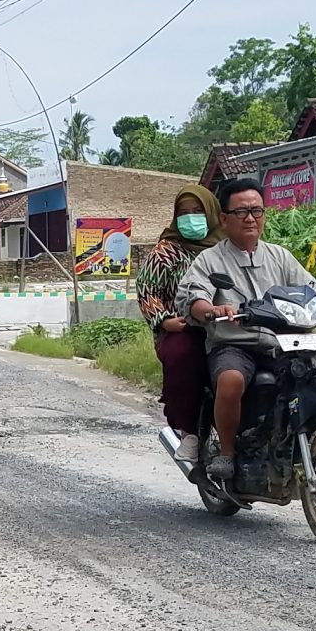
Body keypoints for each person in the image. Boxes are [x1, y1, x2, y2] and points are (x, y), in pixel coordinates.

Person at [175, 177, 316, 484]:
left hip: (284, 343)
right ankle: (227, 453)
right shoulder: (210, 259)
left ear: (264, 215)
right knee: (230, 380)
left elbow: (309, 290)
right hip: (235, 345)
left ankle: (309, 445)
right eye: (241, 211)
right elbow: (192, 297)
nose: (250, 218)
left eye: (256, 211)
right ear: (224, 218)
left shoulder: (280, 256)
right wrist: (212, 309)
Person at [133, 183, 221, 460]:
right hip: (182, 327)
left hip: (229, 325)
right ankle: (189, 432)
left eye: (198, 211)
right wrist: (163, 320)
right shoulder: (167, 251)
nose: (191, 218)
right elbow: (147, 290)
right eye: (184, 213)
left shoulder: (227, 248)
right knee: (184, 355)